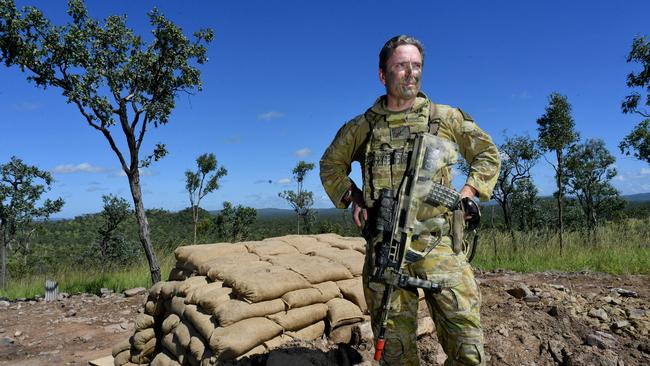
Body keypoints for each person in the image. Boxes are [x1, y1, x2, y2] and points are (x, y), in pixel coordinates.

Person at [319, 35, 500, 365]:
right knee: (396, 355)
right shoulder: (363, 126)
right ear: (382, 75)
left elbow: (487, 154)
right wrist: (353, 198)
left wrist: (469, 192)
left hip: (440, 246)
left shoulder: (445, 118)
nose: (410, 73)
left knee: (468, 347)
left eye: (416, 66)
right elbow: (330, 164)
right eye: (400, 66)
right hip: (386, 250)